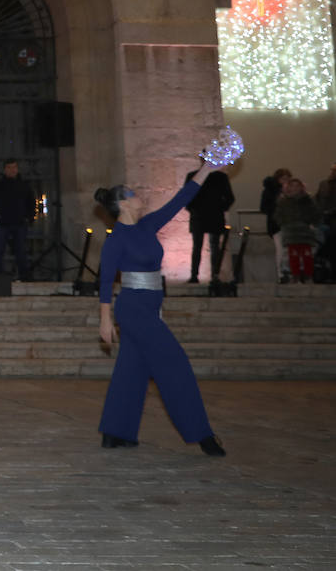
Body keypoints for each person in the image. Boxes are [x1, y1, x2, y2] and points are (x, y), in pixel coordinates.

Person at [94, 163, 227, 457]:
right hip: (132, 309)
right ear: (122, 203)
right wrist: (105, 320)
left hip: (151, 305)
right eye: (132, 192)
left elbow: (181, 198)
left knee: (132, 368)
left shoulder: (147, 225)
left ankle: (115, 431)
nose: (138, 194)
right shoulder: (116, 238)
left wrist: (207, 168)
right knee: (175, 364)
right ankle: (201, 434)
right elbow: (104, 281)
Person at [0, 159, 37, 281]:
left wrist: (29, 217)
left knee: (21, 250)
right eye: (9, 167)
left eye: (14, 167)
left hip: (19, 222)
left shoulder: (24, 186)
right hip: (2, 222)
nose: (12, 170)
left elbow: (31, 202)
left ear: (17, 169)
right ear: (4, 170)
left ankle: (24, 275)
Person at [183, 167, 234, 283]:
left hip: (203, 215)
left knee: (203, 246)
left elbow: (230, 198)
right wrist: (219, 208)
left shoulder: (196, 175)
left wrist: (194, 209)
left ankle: (202, 275)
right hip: (210, 215)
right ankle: (209, 275)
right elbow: (229, 198)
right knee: (210, 246)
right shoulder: (220, 177)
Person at [275, 178, 323, 283]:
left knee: (307, 254)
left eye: (297, 186)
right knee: (293, 255)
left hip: (305, 231)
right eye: (292, 186)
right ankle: (295, 275)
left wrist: (311, 223)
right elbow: (278, 215)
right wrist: (284, 223)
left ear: (302, 187)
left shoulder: (308, 200)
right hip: (290, 231)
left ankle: (308, 275)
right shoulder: (284, 201)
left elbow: (315, 213)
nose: (295, 188)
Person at [260, 167, 292, 279]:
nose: (286, 181)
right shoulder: (270, 191)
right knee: (280, 248)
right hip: (276, 223)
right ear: (278, 179)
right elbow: (264, 208)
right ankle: (281, 273)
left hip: (289, 223)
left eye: (288, 179)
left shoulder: (290, 190)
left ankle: (288, 271)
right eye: (283, 178)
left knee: (288, 249)